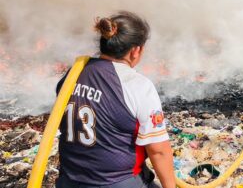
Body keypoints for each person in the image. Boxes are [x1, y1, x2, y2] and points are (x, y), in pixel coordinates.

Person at [55, 11, 175, 188]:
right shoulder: (137, 85)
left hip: (68, 181)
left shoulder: (73, 74)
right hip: (116, 183)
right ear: (136, 50)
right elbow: (158, 151)